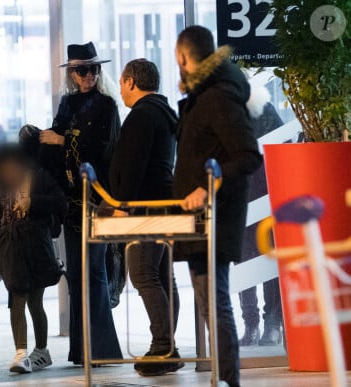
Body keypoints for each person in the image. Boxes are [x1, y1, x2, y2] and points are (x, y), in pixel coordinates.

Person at [173, 26, 262, 387]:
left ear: (182, 58)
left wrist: (209, 186)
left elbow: (248, 155)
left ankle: (228, 379)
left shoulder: (216, 97)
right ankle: (227, 378)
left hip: (215, 215)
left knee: (215, 301)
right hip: (202, 217)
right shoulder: (206, 95)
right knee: (211, 300)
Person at [39, 42, 122, 365]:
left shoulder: (107, 105)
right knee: (76, 272)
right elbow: (53, 142)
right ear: (73, 74)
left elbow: (103, 147)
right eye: (82, 70)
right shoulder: (68, 104)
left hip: (98, 198)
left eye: (94, 69)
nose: (89, 75)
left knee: (95, 271)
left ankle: (102, 350)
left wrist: (63, 140)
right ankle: (82, 350)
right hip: (72, 202)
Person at [109, 59, 182, 376]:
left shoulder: (141, 115)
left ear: (129, 82)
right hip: (163, 202)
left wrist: (121, 203)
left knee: (143, 274)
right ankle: (168, 347)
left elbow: (134, 166)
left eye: (123, 85)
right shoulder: (165, 113)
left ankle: (162, 347)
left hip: (145, 206)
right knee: (163, 276)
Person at [0, 145, 67, 373]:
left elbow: (61, 202)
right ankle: (21, 352)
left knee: (35, 300)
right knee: (17, 296)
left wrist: (33, 202)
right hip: (9, 242)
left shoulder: (39, 176)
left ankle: (41, 351)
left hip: (36, 241)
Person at [238, 77, 284, 347]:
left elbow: (281, 147)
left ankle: (272, 323)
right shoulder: (224, 113)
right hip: (239, 200)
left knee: (267, 262)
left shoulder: (263, 109)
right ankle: (252, 323)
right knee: (244, 264)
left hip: (265, 198)